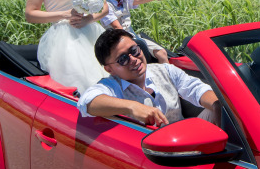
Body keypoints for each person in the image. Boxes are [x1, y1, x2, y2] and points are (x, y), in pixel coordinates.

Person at [78, 28, 221, 127]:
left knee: (221, 107)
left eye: (134, 50)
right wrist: (132, 107)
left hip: (185, 136)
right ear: (109, 69)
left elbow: (196, 88)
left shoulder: (165, 70)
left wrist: (216, 106)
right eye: (122, 59)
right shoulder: (112, 86)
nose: (133, 59)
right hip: (150, 154)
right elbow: (87, 102)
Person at [100, 0, 169, 63]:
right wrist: (133, 43)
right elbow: (117, 27)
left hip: (133, 36)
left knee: (162, 53)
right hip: (117, 41)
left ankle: (168, 76)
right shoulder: (105, 7)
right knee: (141, 56)